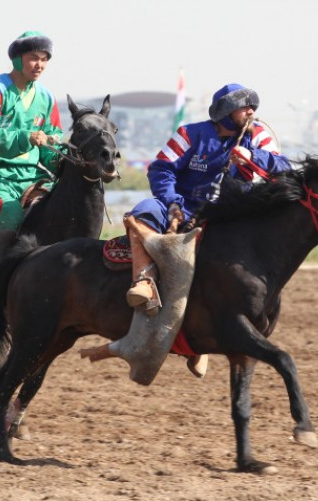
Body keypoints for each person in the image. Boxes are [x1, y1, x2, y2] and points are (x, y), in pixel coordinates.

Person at [125, 83, 293, 378]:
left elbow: (284, 168)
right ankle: (145, 282)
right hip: (182, 208)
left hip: (230, 216)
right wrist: (173, 203)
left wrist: (253, 158)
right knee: (142, 212)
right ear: (226, 111)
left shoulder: (258, 136)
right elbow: (161, 168)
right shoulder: (189, 134)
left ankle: (203, 342)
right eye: (244, 107)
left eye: (253, 107)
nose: (251, 111)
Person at [0, 30, 63, 284]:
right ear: (17, 59)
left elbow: (52, 141)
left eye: (44, 59)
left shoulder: (47, 98)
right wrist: (26, 137)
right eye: (33, 58)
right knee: (7, 212)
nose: (39, 65)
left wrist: (61, 160)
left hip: (33, 176)